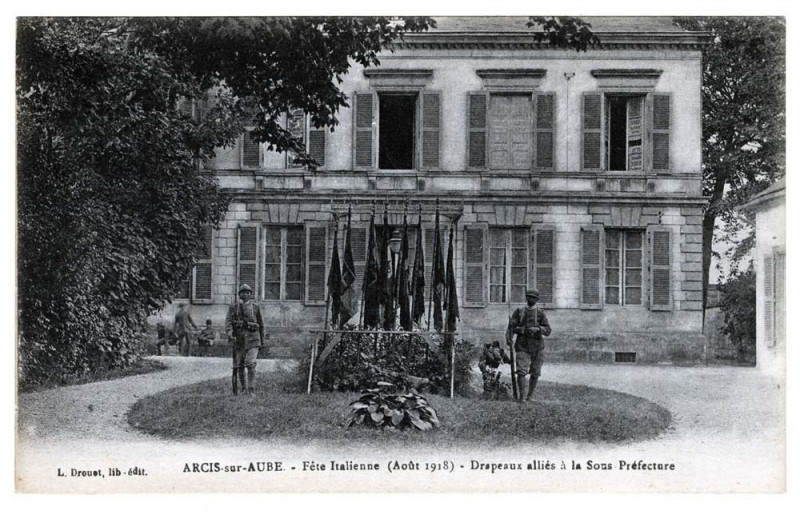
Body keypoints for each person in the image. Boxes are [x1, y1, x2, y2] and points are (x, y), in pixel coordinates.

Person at [506, 289, 552, 402]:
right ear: (526, 298)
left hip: (537, 346)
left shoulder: (541, 312)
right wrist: (510, 337)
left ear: (537, 299)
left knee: (535, 372)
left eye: (533, 297)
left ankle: (530, 396)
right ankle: (522, 397)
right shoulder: (519, 311)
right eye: (529, 297)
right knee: (521, 371)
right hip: (522, 345)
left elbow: (548, 330)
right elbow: (511, 327)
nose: (531, 299)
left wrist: (538, 329)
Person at [226, 284, 265, 395]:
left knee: (250, 363)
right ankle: (243, 388)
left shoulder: (255, 307)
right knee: (240, 365)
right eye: (243, 292)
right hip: (239, 340)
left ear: (251, 294)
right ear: (239, 294)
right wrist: (230, 334)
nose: (245, 294)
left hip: (253, 339)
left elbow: (261, 324)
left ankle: (251, 389)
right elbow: (228, 322)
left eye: (248, 292)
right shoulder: (233, 307)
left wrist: (262, 341)